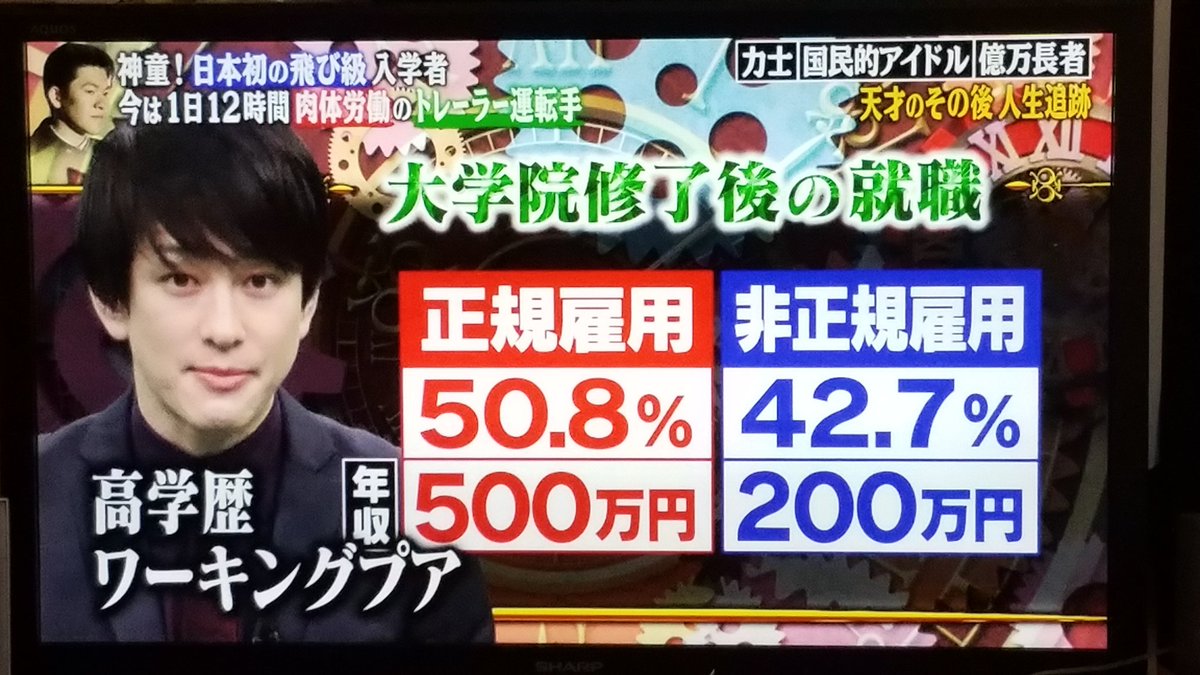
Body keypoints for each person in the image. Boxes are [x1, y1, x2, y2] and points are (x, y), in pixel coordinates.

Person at [38, 120, 496, 644]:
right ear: (111, 301)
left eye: (260, 281)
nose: (224, 330)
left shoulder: (415, 507)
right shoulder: (30, 495)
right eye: (181, 279)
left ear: (308, 304)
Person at [29, 42, 114, 185]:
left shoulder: (113, 154)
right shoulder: (31, 154)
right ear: (56, 97)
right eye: (90, 91)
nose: (101, 104)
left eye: (105, 93)